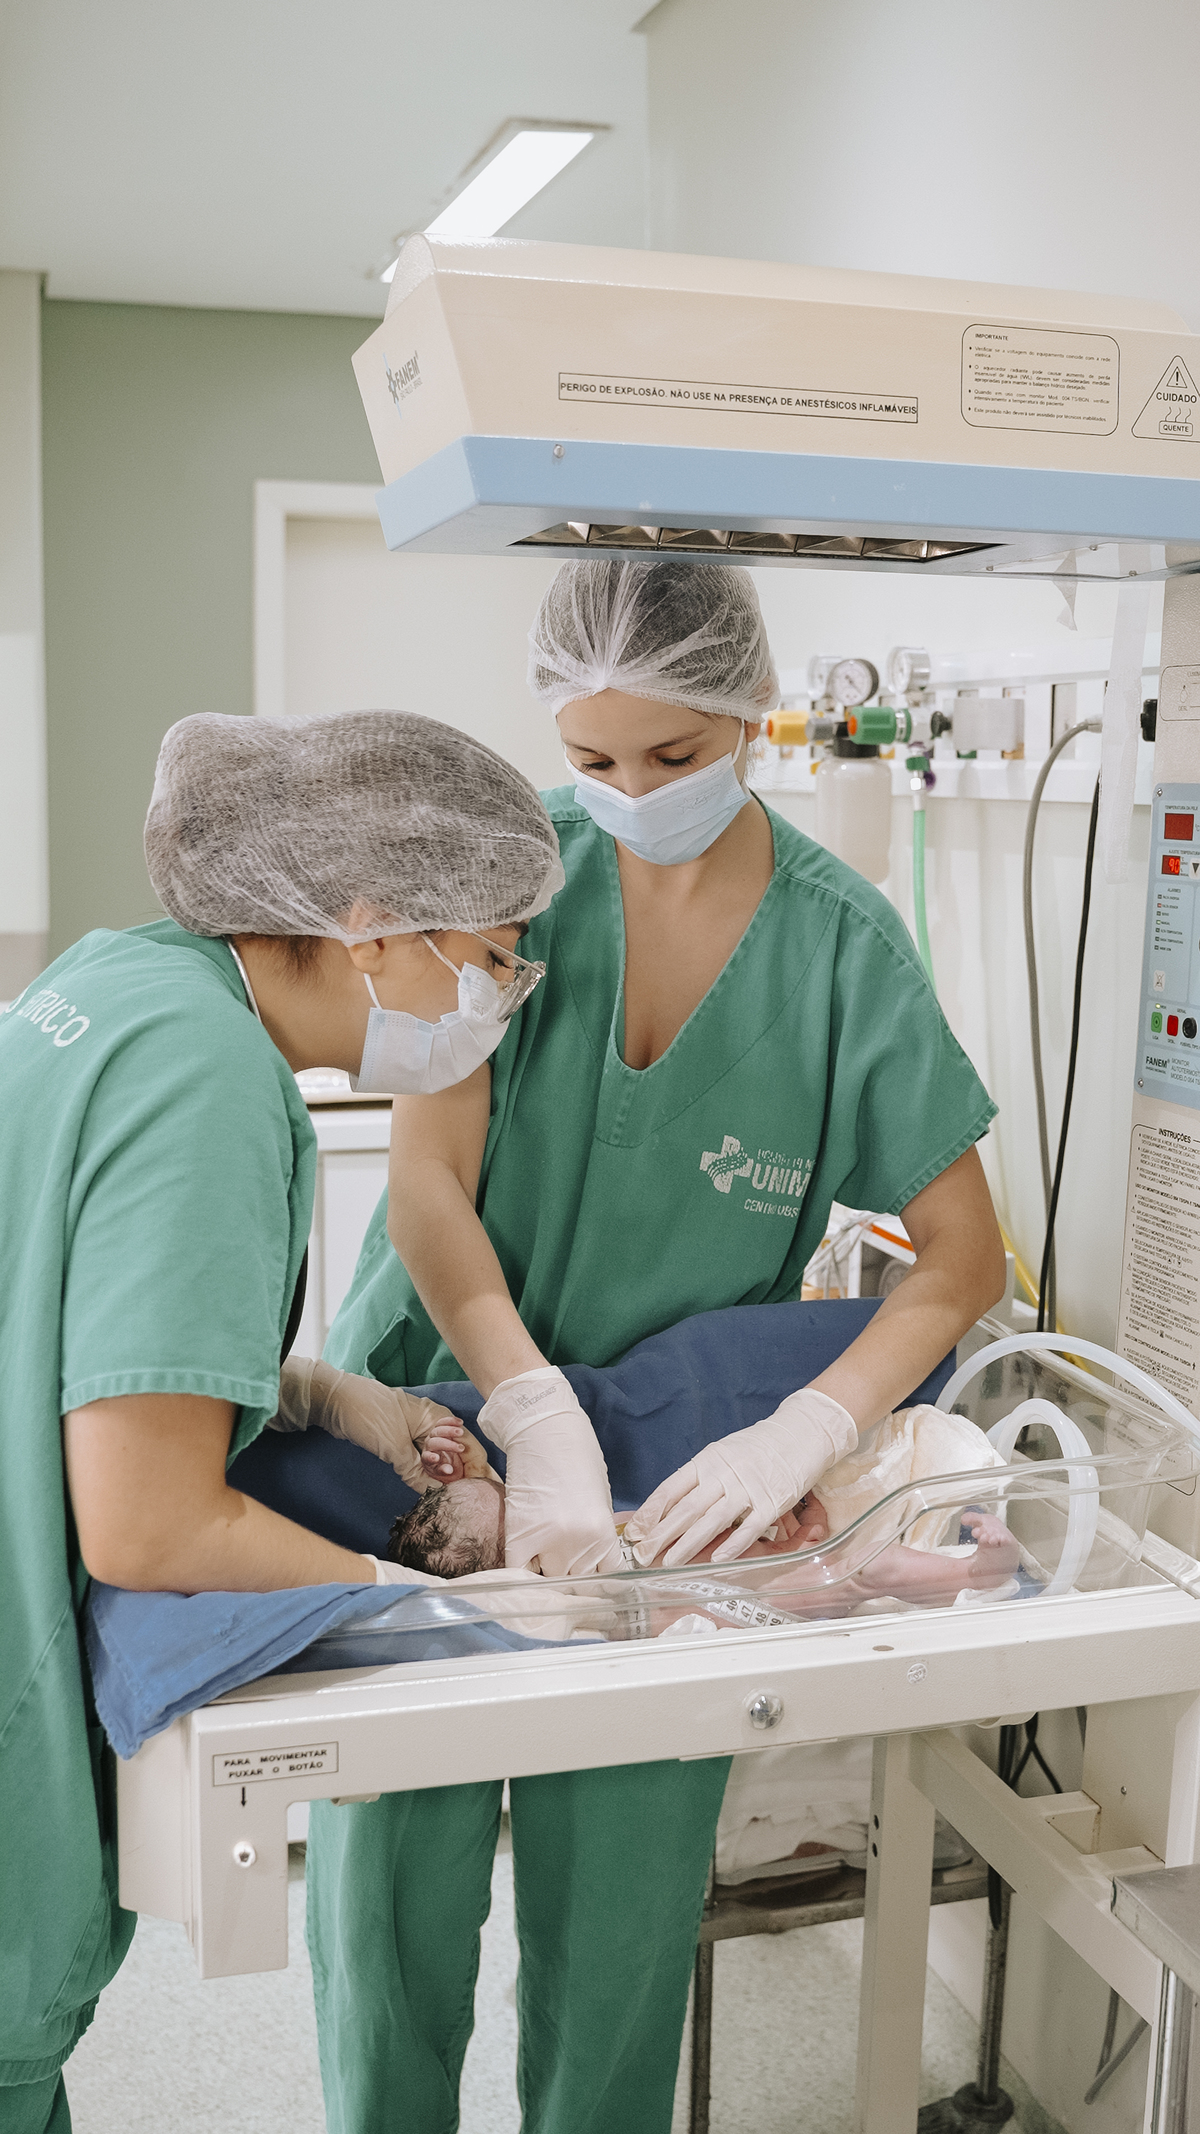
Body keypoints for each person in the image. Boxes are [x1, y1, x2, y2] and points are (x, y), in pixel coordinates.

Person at [305, 560, 1007, 2134]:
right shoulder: (512, 880)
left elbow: (965, 1258)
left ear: (753, 706)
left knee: (620, 1913)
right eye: (593, 757)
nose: (629, 794)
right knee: (390, 1901)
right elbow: (426, 1186)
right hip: (435, 1439)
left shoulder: (841, 948)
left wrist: (809, 1425)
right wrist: (531, 1404)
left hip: (669, 1500)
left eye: (674, 756)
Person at [0, 708, 568, 2134]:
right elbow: (149, 1526)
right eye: (495, 957)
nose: (501, 997)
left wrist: (306, 1389)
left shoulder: (116, 980)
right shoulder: (211, 1077)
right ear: (371, 927)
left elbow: (57, 1289)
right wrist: (403, 1606)